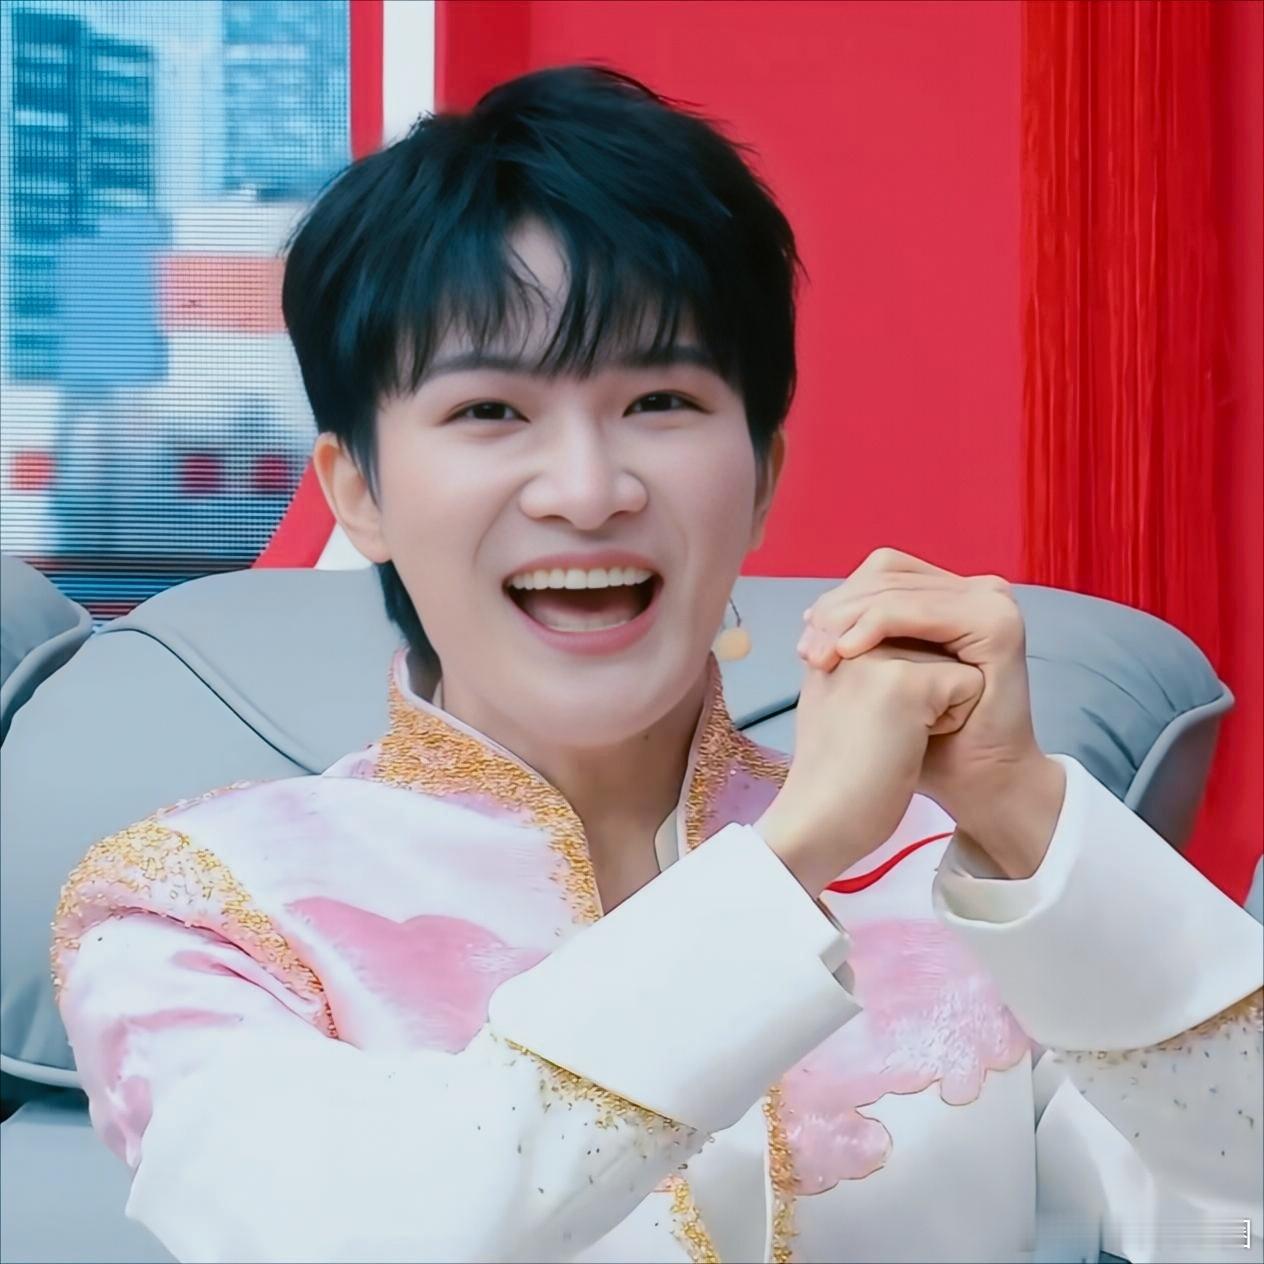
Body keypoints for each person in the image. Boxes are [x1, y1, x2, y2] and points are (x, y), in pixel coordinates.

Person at [51, 66, 1262, 1264]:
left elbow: (1230, 1203)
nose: (588, 492)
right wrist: (788, 862)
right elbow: (358, 1238)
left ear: (762, 473)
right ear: (357, 490)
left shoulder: (958, 881)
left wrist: (1022, 810)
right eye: (490, 413)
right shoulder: (198, 909)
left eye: (661, 401)